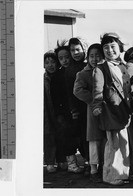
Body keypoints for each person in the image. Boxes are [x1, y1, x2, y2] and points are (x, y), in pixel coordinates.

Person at [91, 32, 133, 185]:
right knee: (113, 145)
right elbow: (97, 90)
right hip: (110, 111)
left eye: (113, 46)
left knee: (125, 143)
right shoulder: (100, 69)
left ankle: (124, 174)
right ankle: (110, 176)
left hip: (124, 111)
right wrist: (97, 106)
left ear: (120, 47)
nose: (109, 50)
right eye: (106, 47)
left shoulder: (123, 66)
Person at [74, 43, 106, 183]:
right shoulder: (83, 73)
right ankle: (93, 169)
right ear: (87, 57)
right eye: (91, 56)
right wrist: (93, 100)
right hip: (92, 111)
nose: (94, 59)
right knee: (94, 140)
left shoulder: (106, 70)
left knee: (106, 139)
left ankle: (105, 168)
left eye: (98, 55)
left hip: (108, 110)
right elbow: (77, 90)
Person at [53, 40, 85, 173]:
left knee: (81, 136)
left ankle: (86, 162)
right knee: (68, 137)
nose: (65, 60)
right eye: (61, 58)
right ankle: (71, 163)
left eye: (67, 57)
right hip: (65, 112)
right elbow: (56, 97)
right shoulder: (58, 75)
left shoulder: (78, 69)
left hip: (78, 109)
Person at [66, 37, 90, 172]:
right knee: (81, 137)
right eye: (72, 50)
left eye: (78, 49)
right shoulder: (69, 69)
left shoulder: (89, 66)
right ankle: (87, 162)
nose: (75, 53)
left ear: (84, 49)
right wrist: (73, 109)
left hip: (90, 107)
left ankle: (92, 163)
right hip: (77, 109)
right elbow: (69, 92)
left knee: (90, 136)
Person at [43, 51, 59, 173]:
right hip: (47, 112)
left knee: (60, 135)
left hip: (59, 112)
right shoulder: (43, 79)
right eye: (47, 62)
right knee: (48, 136)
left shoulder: (60, 76)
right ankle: (49, 161)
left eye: (53, 62)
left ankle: (61, 159)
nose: (50, 65)